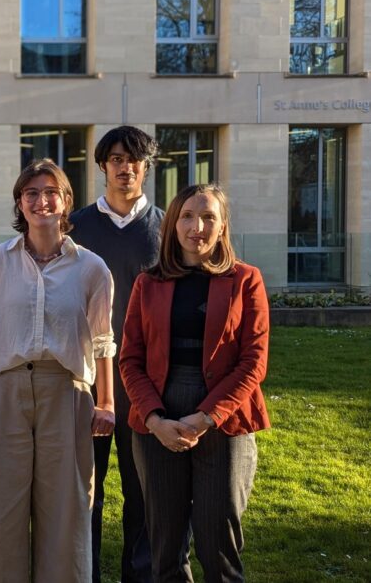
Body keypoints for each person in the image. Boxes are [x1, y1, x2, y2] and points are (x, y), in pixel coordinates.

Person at [0, 158, 116, 582]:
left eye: (51, 192)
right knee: (0, 510)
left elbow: (103, 341)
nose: (42, 200)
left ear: (66, 201)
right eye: (32, 193)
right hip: (5, 391)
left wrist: (105, 401)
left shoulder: (92, 268)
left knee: (66, 508)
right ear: (19, 203)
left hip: (65, 392)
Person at [119, 184, 270, 582]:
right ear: (172, 224)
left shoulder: (246, 281)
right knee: (164, 547)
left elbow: (253, 362)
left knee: (217, 544)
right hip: (158, 417)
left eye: (208, 217)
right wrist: (154, 420)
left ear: (222, 227)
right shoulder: (147, 283)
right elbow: (130, 360)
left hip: (224, 417)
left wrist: (206, 418)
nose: (196, 226)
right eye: (187, 216)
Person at [68, 126, 164, 583]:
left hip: (146, 384)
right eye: (117, 159)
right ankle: (83, 574)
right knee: (86, 491)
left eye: (135, 160)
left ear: (147, 167)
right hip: (84, 380)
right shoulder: (77, 226)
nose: (126, 168)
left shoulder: (167, 228)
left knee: (142, 494)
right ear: (103, 165)